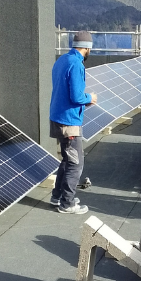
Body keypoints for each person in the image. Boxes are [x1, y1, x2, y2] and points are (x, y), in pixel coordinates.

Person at [49, 31, 97, 214]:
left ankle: (57, 196)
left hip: (57, 117)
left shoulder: (62, 60)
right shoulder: (76, 64)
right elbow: (77, 96)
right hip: (69, 122)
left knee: (68, 160)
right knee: (76, 164)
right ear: (87, 47)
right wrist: (89, 98)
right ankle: (67, 203)